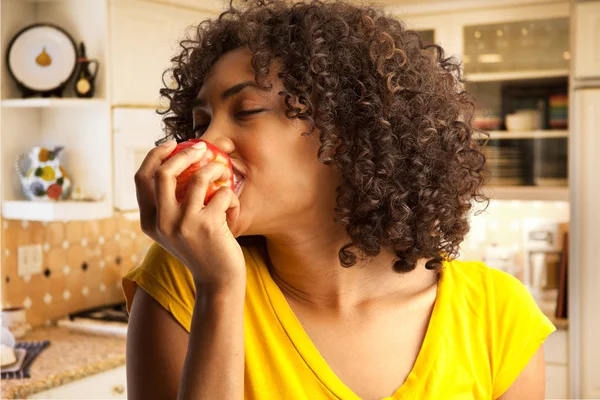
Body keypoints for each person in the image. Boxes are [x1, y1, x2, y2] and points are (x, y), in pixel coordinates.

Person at [121, 0, 556, 399]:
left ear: (347, 131)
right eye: (200, 122)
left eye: (246, 111)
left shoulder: (499, 315)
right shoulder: (183, 286)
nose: (205, 143)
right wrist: (219, 288)